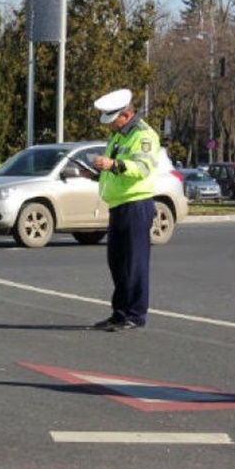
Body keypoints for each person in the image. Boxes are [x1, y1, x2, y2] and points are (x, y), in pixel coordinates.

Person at [91, 88, 160, 332]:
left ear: (126, 114)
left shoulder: (143, 135)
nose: (110, 126)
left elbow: (142, 168)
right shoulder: (119, 136)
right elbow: (115, 169)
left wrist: (113, 164)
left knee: (134, 263)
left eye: (113, 120)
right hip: (119, 203)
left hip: (136, 203)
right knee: (117, 262)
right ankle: (119, 313)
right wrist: (99, 170)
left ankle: (135, 314)